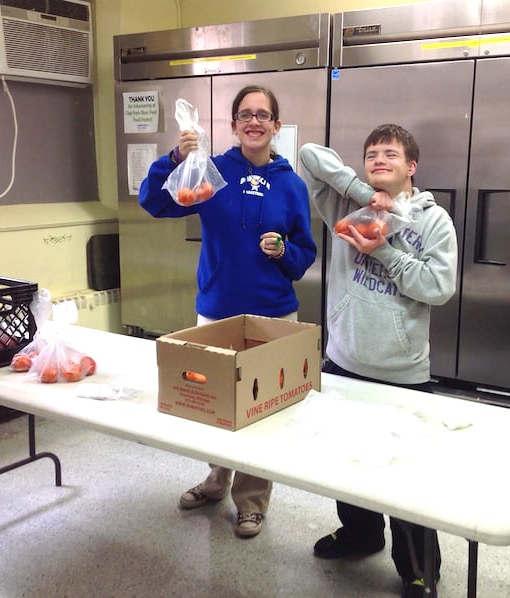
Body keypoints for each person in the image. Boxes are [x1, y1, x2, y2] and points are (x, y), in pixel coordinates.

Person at [138, 85, 317, 538]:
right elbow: (154, 203)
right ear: (234, 124)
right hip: (217, 310)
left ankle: (252, 500)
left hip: (273, 314)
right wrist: (175, 159)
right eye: (245, 115)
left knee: (264, 410)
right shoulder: (210, 170)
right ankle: (217, 480)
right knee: (215, 403)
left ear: (277, 126)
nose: (254, 122)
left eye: (263, 115)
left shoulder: (291, 184)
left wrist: (283, 252)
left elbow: (305, 254)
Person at [299, 124, 458, 598]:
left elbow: (438, 288)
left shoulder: (434, 222)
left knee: (405, 478)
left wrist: (384, 250)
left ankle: (418, 567)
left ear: (412, 167)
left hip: (402, 374)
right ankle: (361, 534)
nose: (379, 159)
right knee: (347, 464)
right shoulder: (347, 207)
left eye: (390, 154)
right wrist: (365, 193)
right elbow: (308, 154)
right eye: (371, 154)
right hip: (344, 361)